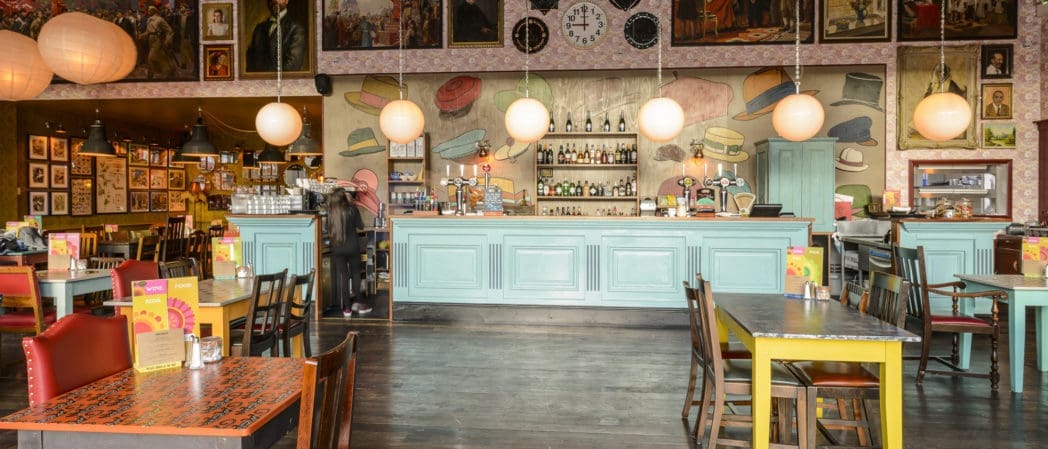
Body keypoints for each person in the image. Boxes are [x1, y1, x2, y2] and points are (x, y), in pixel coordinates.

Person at [327, 188, 369, 317]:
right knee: (356, 274)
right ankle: (360, 304)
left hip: (337, 248)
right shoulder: (352, 209)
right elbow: (360, 226)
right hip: (352, 246)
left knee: (343, 277)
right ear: (344, 197)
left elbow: (327, 229)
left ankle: (347, 309)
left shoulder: (331, 212)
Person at [246, 0, 307, 72]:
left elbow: (293, 66)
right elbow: (251, 63)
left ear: (286, 1)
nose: (274, 0)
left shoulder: (296, 29)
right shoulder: (259, 28)